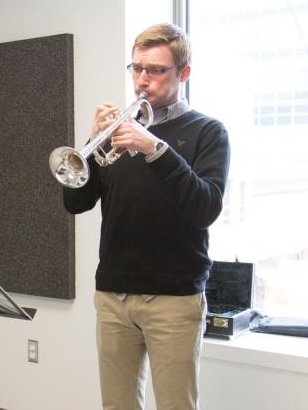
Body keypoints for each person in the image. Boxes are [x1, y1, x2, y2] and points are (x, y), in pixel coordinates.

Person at [62, 23, 230, 410]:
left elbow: (205, 208)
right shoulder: (116, 133)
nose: (142, 81)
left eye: (155, 70)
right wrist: (91, 144)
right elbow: (76, 205)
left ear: (183, 73)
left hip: (173, 298)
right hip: (113, 293)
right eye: (136, 68)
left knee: (176, 406)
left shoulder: (208, 132)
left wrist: (155, 148)